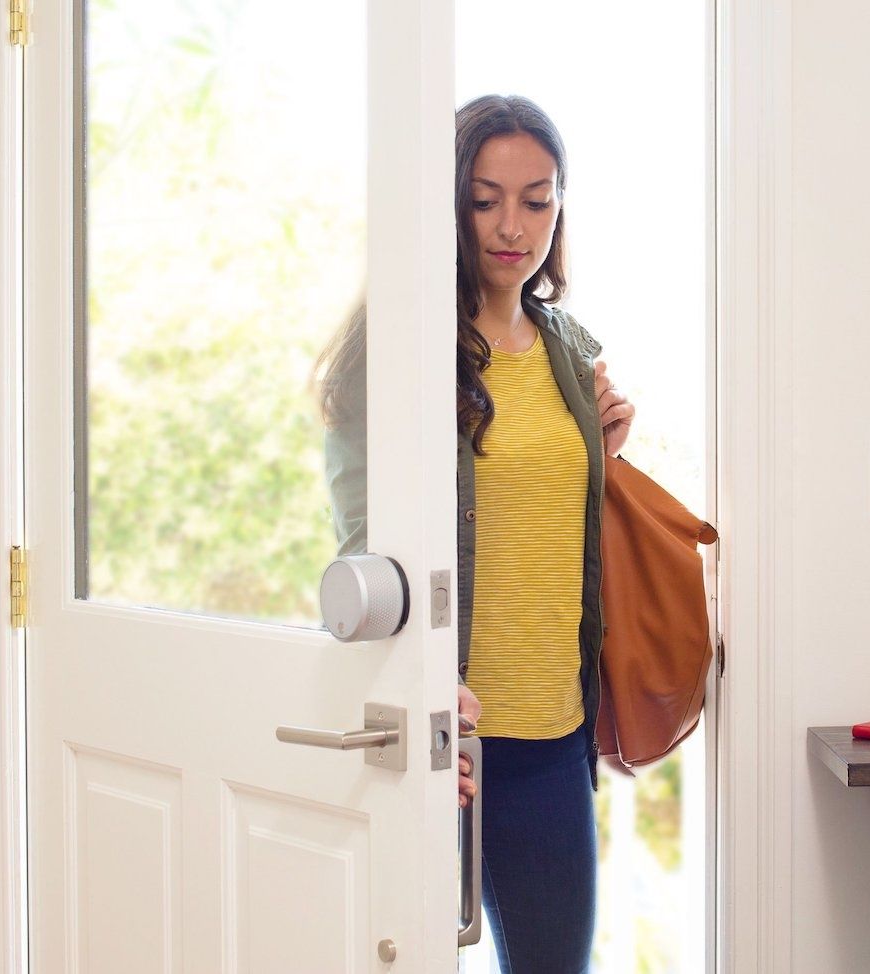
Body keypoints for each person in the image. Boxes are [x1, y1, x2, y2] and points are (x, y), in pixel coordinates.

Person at [314, 94, 633, 974]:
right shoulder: (398, 352)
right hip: (444, 736)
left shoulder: (568, 348)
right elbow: (360, 548)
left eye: (537, 199)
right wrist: (421, 691)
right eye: (484, 197)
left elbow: (547, 522)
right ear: (445, 202)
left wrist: (600, 452)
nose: (512, 226)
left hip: (552, 738)